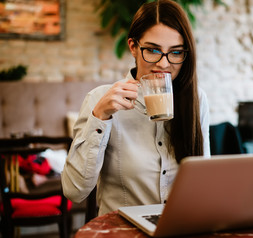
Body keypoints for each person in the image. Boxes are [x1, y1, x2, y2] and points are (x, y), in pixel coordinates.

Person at [61, 0, 210, 216]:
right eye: (152, 50)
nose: (164, 64)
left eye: (176, 53)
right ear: (133, 47)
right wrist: (100, 117)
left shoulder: (196, 99)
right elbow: (74, 191)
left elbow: (203, 182)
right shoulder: (100, 99)